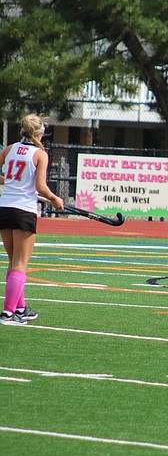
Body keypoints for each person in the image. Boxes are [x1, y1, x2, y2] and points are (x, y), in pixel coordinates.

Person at [0, 114, 64, 326]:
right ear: (39, 133)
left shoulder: (9, 149)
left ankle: (19, 307)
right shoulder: (40, 154)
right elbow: (40, 187)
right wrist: (54, 199)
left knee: (13, 262)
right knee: (20, 264)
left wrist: (7, 181)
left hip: (5, 208)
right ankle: (9, 313)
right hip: (24, 211)